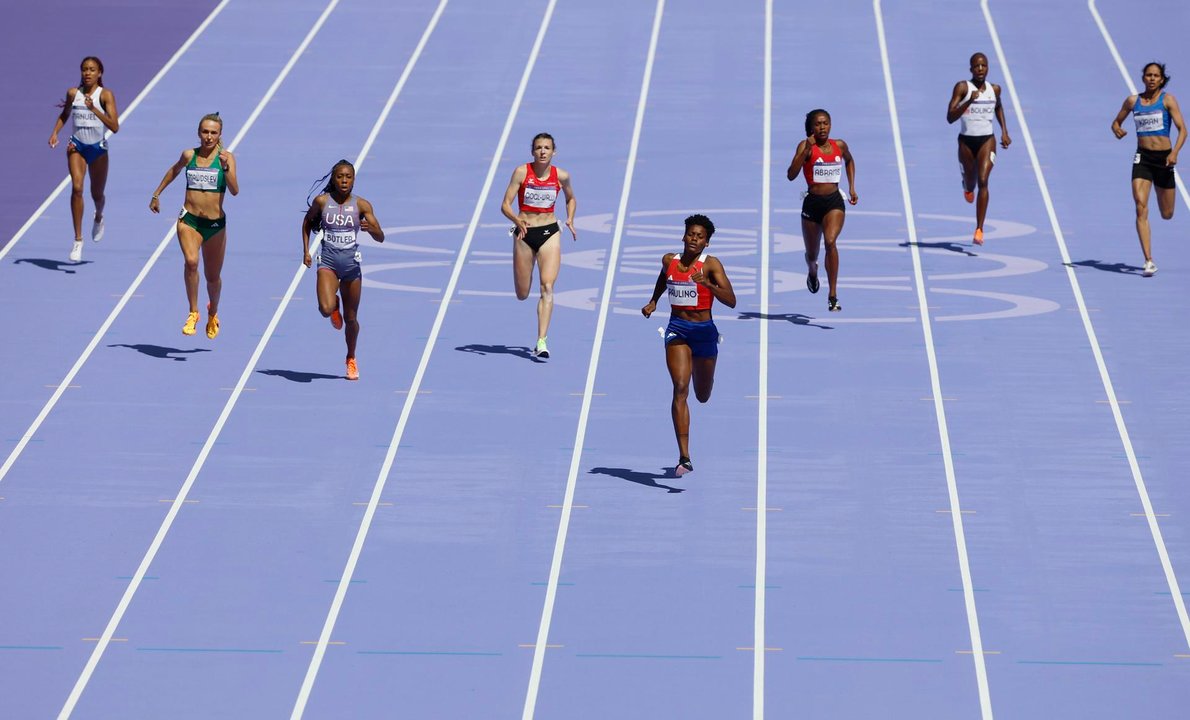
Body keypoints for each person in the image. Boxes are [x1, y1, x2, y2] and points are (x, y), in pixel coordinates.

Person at [641, 214, 736, 477]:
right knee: (680, 387)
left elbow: (731, 300)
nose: (694, 239)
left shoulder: (711, 265)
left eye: (700, 237)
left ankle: (704, 373)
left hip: (704, 332)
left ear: (707, 243)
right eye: (691, 234)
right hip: (678, 330)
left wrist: (709, 285)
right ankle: (684, 456)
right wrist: (654, 301)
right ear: (684, 236)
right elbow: (664, 278)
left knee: (702, 395)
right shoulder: (668, 260)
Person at [149, 113, 239, 338]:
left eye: (213, 133)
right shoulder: (189, 155)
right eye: (205, 132)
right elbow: (174, 170)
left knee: (212, 277)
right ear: (199, 133)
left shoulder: (226, 158)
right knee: (191, 262)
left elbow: (235, 190)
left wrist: (227, 169)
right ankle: (193, 312)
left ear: (220, 135)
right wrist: (157, 193)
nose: (208, 137)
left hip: (215, 224)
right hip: (189, 220)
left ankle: (213, 313)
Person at [302, 160, 384, 381]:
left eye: (348, 177)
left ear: (354, 179)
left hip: (351, 268)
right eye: (340, 177)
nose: (344, 180)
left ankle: (351, 357)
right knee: (325, 309)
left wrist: (372, 228)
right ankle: (333, 305)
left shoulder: (363, 206)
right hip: (327, 262)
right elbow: (307, 222)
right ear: (334, 179)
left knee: (351, 319)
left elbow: (381, 237)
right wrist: (306, 251)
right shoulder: (322, 202)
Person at [499, 132, 577, 359]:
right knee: (522, 293)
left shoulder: (561, 176)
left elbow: (571, 198)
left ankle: (541, 340)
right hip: (524, 233)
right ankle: (527, 270)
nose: (543, 151)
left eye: (547, 148)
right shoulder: (522, 172)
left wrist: (570, 218)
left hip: (549, 232)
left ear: (554, 152)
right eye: (538, 148)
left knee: (547, 287)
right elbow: (505, 204)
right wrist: (516, 220)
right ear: (532, 151)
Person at [1112, 62, 1186, 276]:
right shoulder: (1133, 101)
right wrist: (1117, 129)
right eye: (1148, 75)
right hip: (1142, 158)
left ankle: (1163, 204)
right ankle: (1148, 260)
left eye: (1156, 75)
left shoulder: (1168, 100)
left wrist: (1174, 153)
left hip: (1164, 160)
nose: (1152, 78)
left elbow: (1183, 130)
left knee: (1167, 213)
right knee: (1140, 205)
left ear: (1162, 79)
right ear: (1143, 78)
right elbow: (1116, 122)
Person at [49, 56, 119, 262]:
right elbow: (65, 114)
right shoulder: (73, 93)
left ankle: (98, 216)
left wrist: (94, 109)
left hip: (97, 149)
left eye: (92, 69)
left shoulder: (105, 95)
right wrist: (55, 133)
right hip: (76, 146)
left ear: (100, 73)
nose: (87, 73)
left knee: (97, 194)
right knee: (77, 188)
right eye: (84, 70)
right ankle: (78, 240)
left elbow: (115, 127)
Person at [786, 109, 857, 312]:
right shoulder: (805, 146)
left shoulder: (839, 145)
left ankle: (833, 295)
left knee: (831, 242)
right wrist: (805, 150)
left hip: (834, 202)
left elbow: (850, 161)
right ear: (811, 128)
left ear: (831, 124)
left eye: (825, 123)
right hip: (811, 204)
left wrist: (851, 187)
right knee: (812, 254)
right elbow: (791, 175)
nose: (822, 127)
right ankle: (812, 270)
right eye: (818, 124)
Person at [946, 52, 1011, 246]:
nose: (980, 69)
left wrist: (1004, 132)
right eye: (976, 66)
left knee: (983, 181)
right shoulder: (962, 87)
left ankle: (979, 229)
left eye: (983, 66)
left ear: (988, 67)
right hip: (966, 142)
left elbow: (998, 107)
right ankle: (966, 187)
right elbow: (950, 117)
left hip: (986, 141)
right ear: (971, 69)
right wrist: (968, 101)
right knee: (971, 182)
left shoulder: (995, 89)